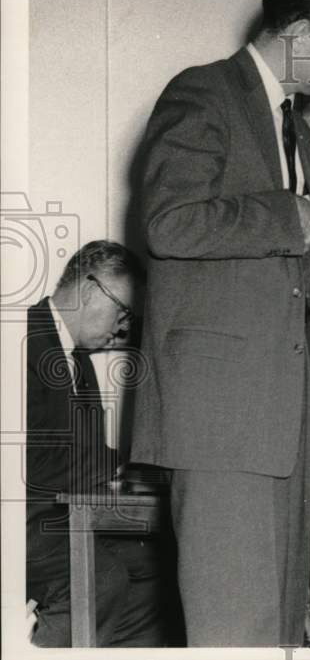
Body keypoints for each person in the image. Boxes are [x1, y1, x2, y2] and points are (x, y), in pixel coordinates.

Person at [131, 0, 310, 646]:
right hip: (220, 416)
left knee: (277, 629)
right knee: (233, 630)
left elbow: (281, 282)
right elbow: (168, 222)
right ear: (303, 31)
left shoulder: (297, 132)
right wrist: (283, 216)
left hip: (280, 420)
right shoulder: (203, 93)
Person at [26, 240, 173, 646]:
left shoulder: (79, 361)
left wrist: (134, 467)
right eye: (123, 311)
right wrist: (113, 467)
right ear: (91, 291)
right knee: (104, 577)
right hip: (20, 522)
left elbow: (82, 453)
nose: (123, 327)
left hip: (61, 517)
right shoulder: (19, 341)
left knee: (156, 570)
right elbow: (25, 462)